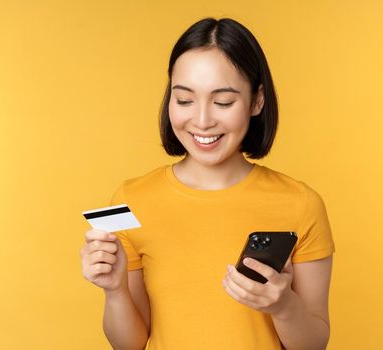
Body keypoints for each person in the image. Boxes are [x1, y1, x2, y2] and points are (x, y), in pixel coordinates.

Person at [79, 17, 335, 350]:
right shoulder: (130, 200)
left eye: (223, 102)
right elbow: (130, 345)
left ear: (257, 101)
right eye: (184, 100)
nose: (201, 120)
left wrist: (282, 305)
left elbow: (314, 344)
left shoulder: (301, 203)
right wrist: (114, 290)